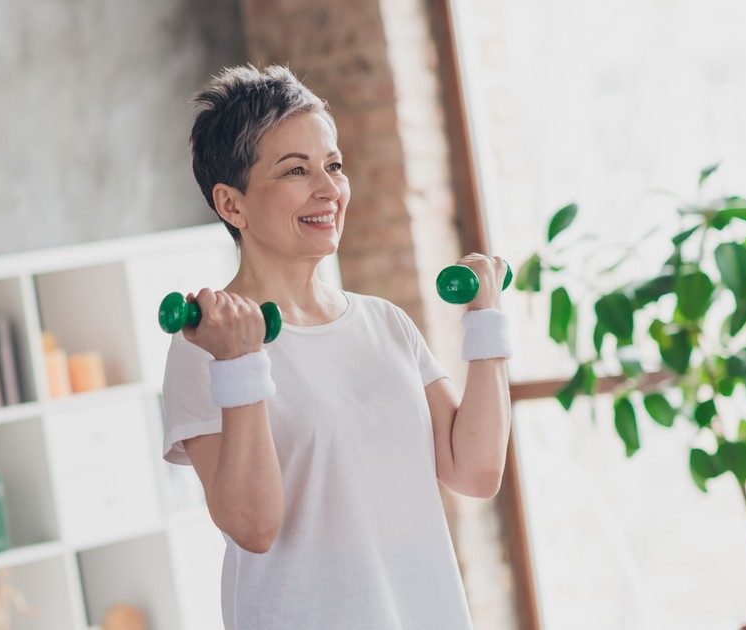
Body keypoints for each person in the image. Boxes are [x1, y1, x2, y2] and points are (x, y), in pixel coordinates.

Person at [161, 63, 513, 630]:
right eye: (295, 170)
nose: (328, 190)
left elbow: (473, 470)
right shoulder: (206, 345)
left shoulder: (385, 323)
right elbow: (252, 525)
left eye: (334, 165)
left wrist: (486, 321)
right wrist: (241, 363)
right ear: (232, 205)